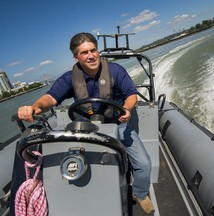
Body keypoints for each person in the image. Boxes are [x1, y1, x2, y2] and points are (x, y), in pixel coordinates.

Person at [18, 32, 154, 214]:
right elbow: (50, 98)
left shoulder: (115, 70)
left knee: (144, 164)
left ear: (97, 51)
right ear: (76, 57)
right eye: (84, 53)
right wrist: (34, 108)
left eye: (93, 50)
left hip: (118, 125)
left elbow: (131, 94)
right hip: (86, 131)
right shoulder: (69, 78)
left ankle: (140, 193)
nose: (90, 56)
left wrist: (127, 109)